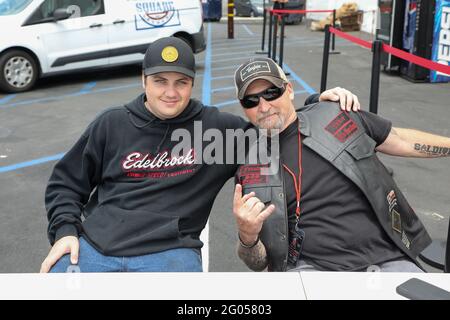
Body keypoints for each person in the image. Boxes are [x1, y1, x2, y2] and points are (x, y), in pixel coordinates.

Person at [41, 37, 360, 273]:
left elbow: (276, 130)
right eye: (160, 81)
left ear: (192, 84)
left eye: (181, 82)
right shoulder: (112, 124)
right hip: (95, 249)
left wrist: (317, 105)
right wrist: (66, 232)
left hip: (169, 254)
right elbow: (66, 184)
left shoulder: (216, 130)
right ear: (143, 80)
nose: (170, 92)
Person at [232, 57, 450, 272]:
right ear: (243, 108)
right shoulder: (249, 169)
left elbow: (400, 140)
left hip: (387, 259)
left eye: (271, 93)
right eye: (251, 100)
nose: (263, 106)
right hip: (312, 271)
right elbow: (258, 262)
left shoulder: (335, 114)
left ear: (289, 89)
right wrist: (247, 237)